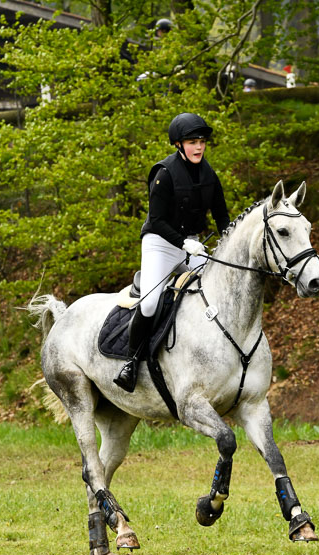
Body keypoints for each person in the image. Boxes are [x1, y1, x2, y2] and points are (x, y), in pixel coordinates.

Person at [114, 112, 230, 393]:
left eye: (202, 141)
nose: (199, 147)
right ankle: (130, 362)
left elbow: (223, 218)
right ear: (179, 144)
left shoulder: (209, 174)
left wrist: (229, 246)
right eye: (192, 142)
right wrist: (183, 243)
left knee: (214, 291)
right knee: (151, 302)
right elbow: (156, 221)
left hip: (192, 245)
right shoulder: (164, 174)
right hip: (160, 244)